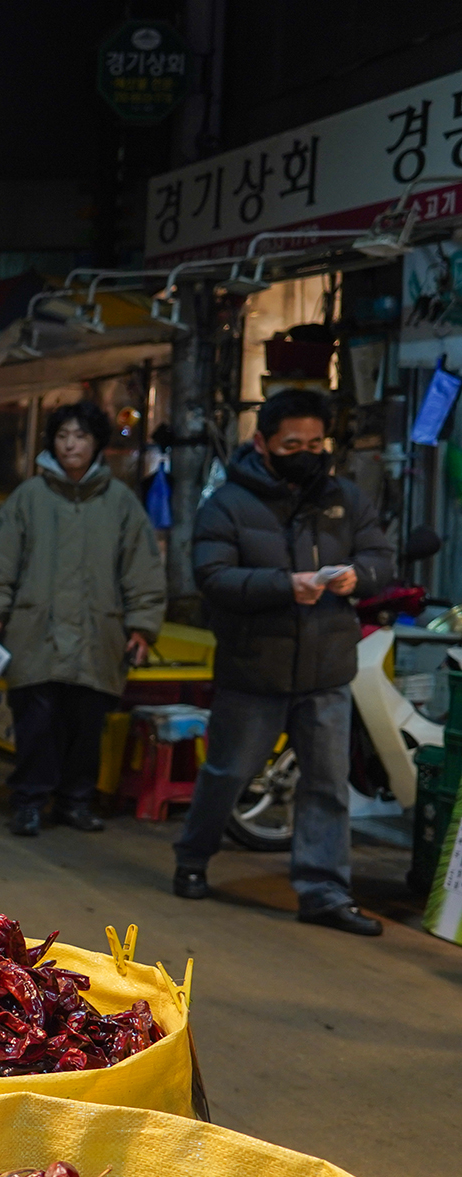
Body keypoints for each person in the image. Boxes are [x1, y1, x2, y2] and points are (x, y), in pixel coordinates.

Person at [172, 388, 393, 933]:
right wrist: (282, 586)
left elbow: (380, 558)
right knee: (229, 772)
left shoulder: (344, 497)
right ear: (262, 443)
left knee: (326, 784)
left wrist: (356, 577)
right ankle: (193, 859)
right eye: (293, 442)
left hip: (326, 668)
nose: (307, 452)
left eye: (316, 442)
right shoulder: (227, 503)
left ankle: (323, 892)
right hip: (255, 669)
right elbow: (212, 576)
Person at [0, 401, 166, 837]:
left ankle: (76, 801)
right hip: (34, 631)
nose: (70, 444)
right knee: (35, 723)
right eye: (62, 436)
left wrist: (143, 625)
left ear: (97, 442)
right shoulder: (29, 498)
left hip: (100, 634)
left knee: (86, 724)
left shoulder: (121, 503)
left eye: (80, 436)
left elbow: (143, 569)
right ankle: (29, 801)